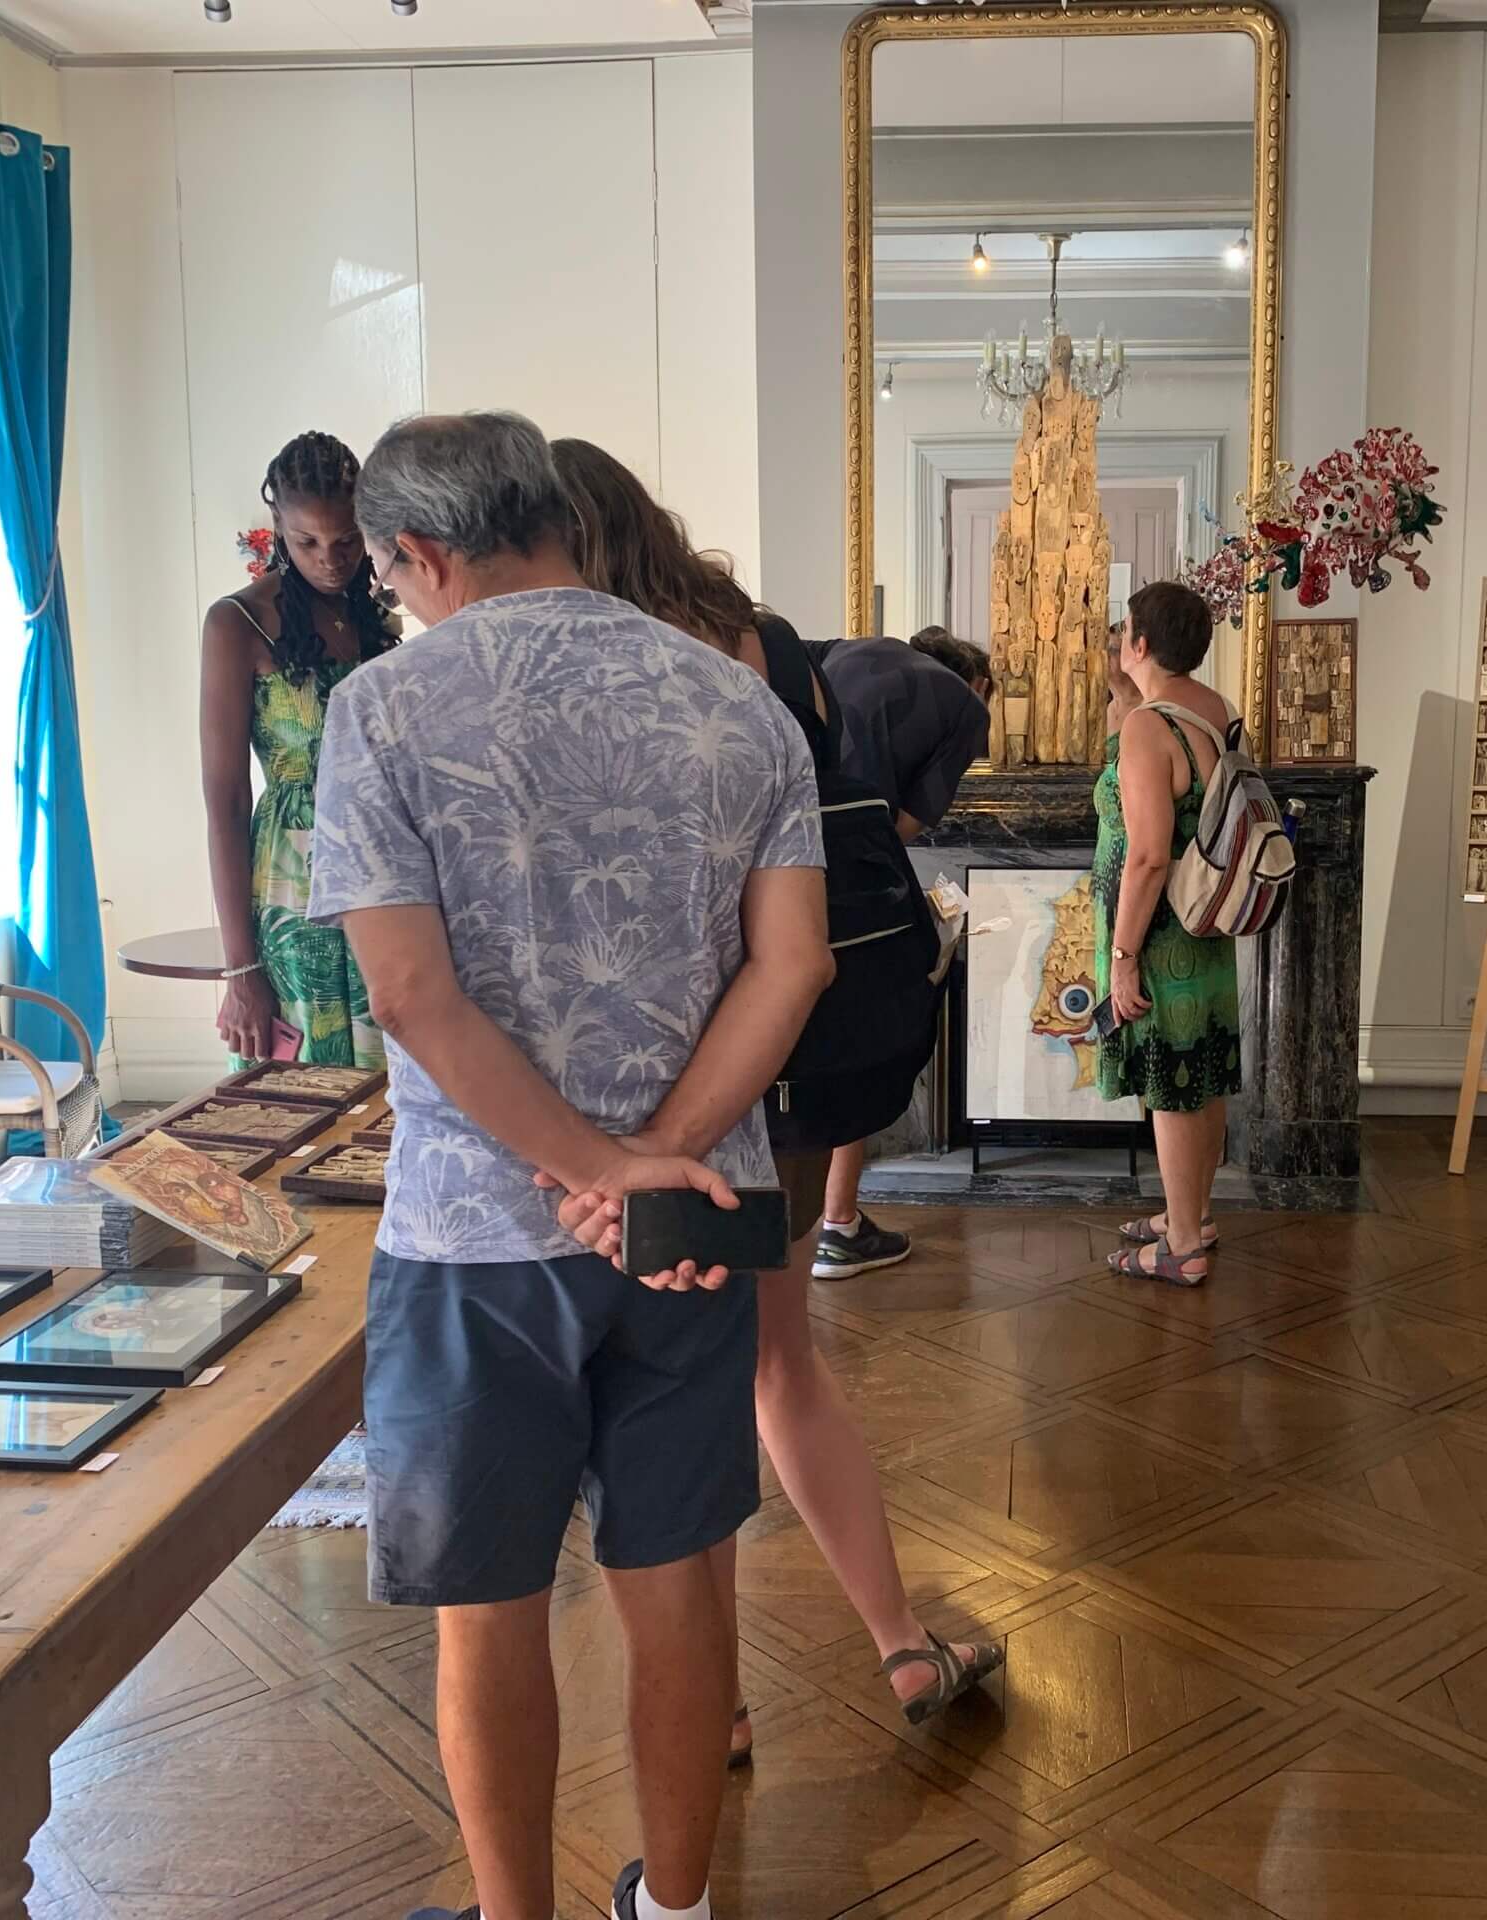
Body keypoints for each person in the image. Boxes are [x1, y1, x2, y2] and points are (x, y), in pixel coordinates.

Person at [309, 412, 835, 1920]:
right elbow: (792, 965)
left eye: (389, 578)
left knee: (487, 1611)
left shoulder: (383, 711)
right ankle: (676, 1908)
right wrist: (645, 1167)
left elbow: (411, 995)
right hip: (694, 1218)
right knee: (677, 1581)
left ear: (420, 554)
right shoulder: (735, 699)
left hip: (474, 1236)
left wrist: (584, 1168)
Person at [545, 437, 1004, 1767]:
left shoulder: (599, 679)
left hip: (665, 1083)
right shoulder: (770, 646)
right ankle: (900, 1640)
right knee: (778, 1367)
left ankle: (717, 1703)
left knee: (669, 1396)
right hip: (794, 1070)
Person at [199, 431, 400, 1067]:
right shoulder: (235, 623)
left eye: (347, 541)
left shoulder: (378, 617)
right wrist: (241, 970)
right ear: (278, 530)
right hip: (292, 880)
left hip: (385, 865)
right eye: (306, 542)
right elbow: (226, 801)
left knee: (397, 1071)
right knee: (299, 1083)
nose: (330, 560)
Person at [800, 629, 991, 1277]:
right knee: (862, 1035)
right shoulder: (966, 705)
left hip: (777, 861)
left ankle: (792, 1223)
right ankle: (838, 1225)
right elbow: (901, 825)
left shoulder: (845, 649)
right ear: (979, 681)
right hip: (852, 877)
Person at [1093, 581, 1244, 1287]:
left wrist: (1123, 956)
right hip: (1206, 921)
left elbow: (1150, 855)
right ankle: (1194, 1214)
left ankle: (1182, 1247)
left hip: (1163, 932)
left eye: (1125, 628)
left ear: (1141, 641)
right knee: (1202, 1072)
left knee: (1172, 1081)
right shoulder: (1216, 708)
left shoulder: (1149, 727)